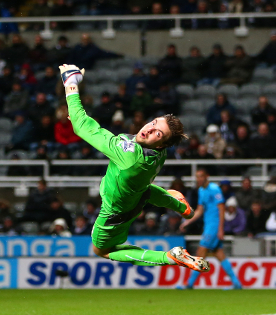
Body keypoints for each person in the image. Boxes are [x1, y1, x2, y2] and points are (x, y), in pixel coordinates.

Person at [59, 63, 208, 272]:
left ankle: (169, 257)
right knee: (143, 191)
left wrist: (70, 84)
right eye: (154, 122)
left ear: (162, 143)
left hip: (114, 215)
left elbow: (81, 124)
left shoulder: (128, 156)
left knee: (101, 250)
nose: (149, 129)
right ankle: (179, 205)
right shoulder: (159, 153)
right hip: (136, 197)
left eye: (158, 133)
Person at [178, 169, 243, 289]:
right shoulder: (201, 190)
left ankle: (189, 284)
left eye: (201, 176)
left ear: (207, 176)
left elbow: (221, 208)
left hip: (213, 227)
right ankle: (236, 283)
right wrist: (188, 222)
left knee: (200, 252)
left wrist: (220, 229)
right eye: (197, 177)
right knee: (219, 254)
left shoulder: (214, 189)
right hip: (208, 225)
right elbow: (200, 210)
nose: (199, 179)